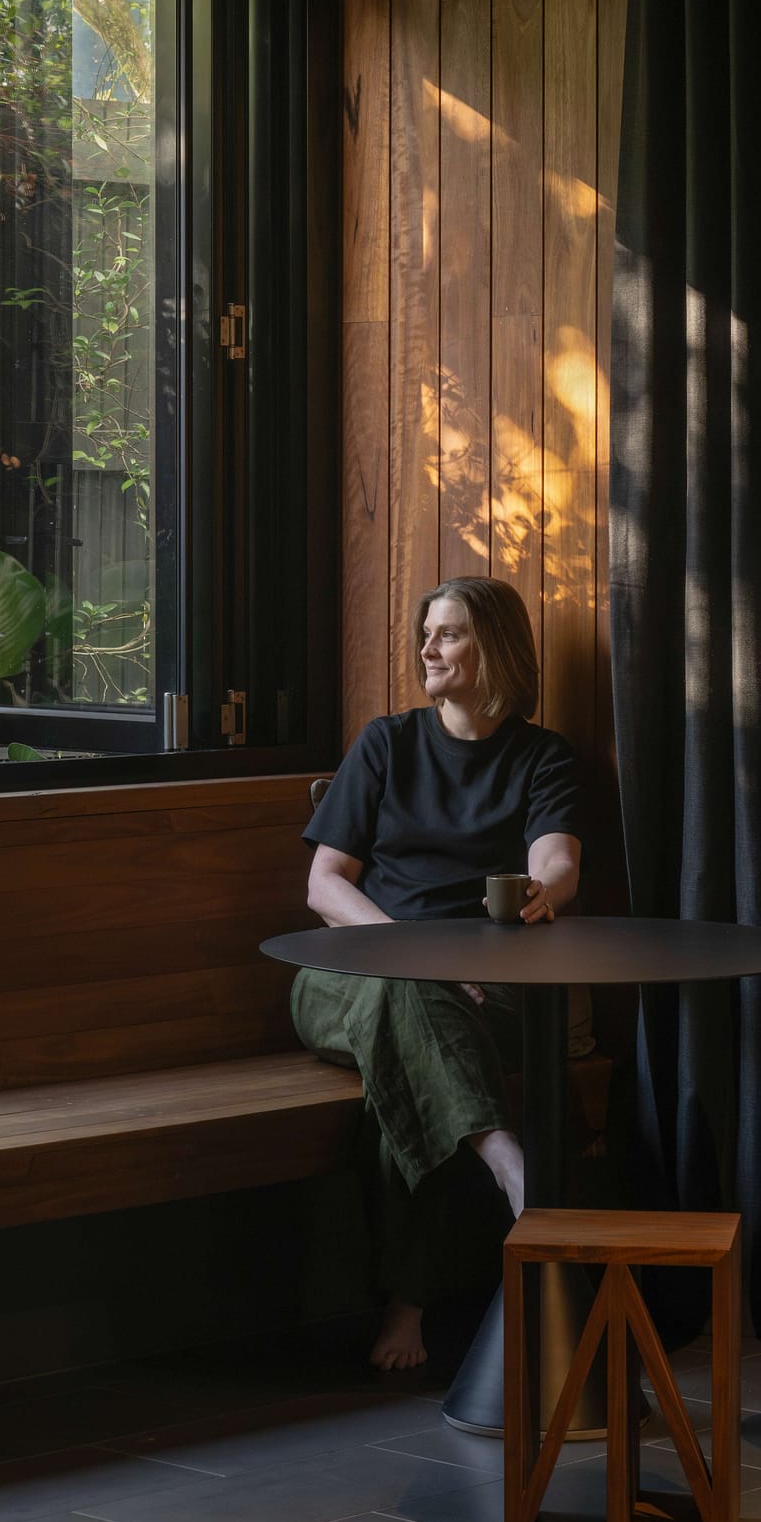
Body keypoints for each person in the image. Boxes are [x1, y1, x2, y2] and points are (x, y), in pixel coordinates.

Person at [293, 577, 583, 1371]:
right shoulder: (385, 743)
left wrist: (541, 892)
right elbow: (324, 887)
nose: (428, 648)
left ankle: (408, 1302)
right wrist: (413, 954)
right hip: (348, 974)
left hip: (480, 992)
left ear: (494, 647)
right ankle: (510, 1165)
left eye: (448, 633)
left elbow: (557, 860)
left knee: (407, 1077)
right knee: (406, 998)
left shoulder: (541, 757)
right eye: (427, 632)